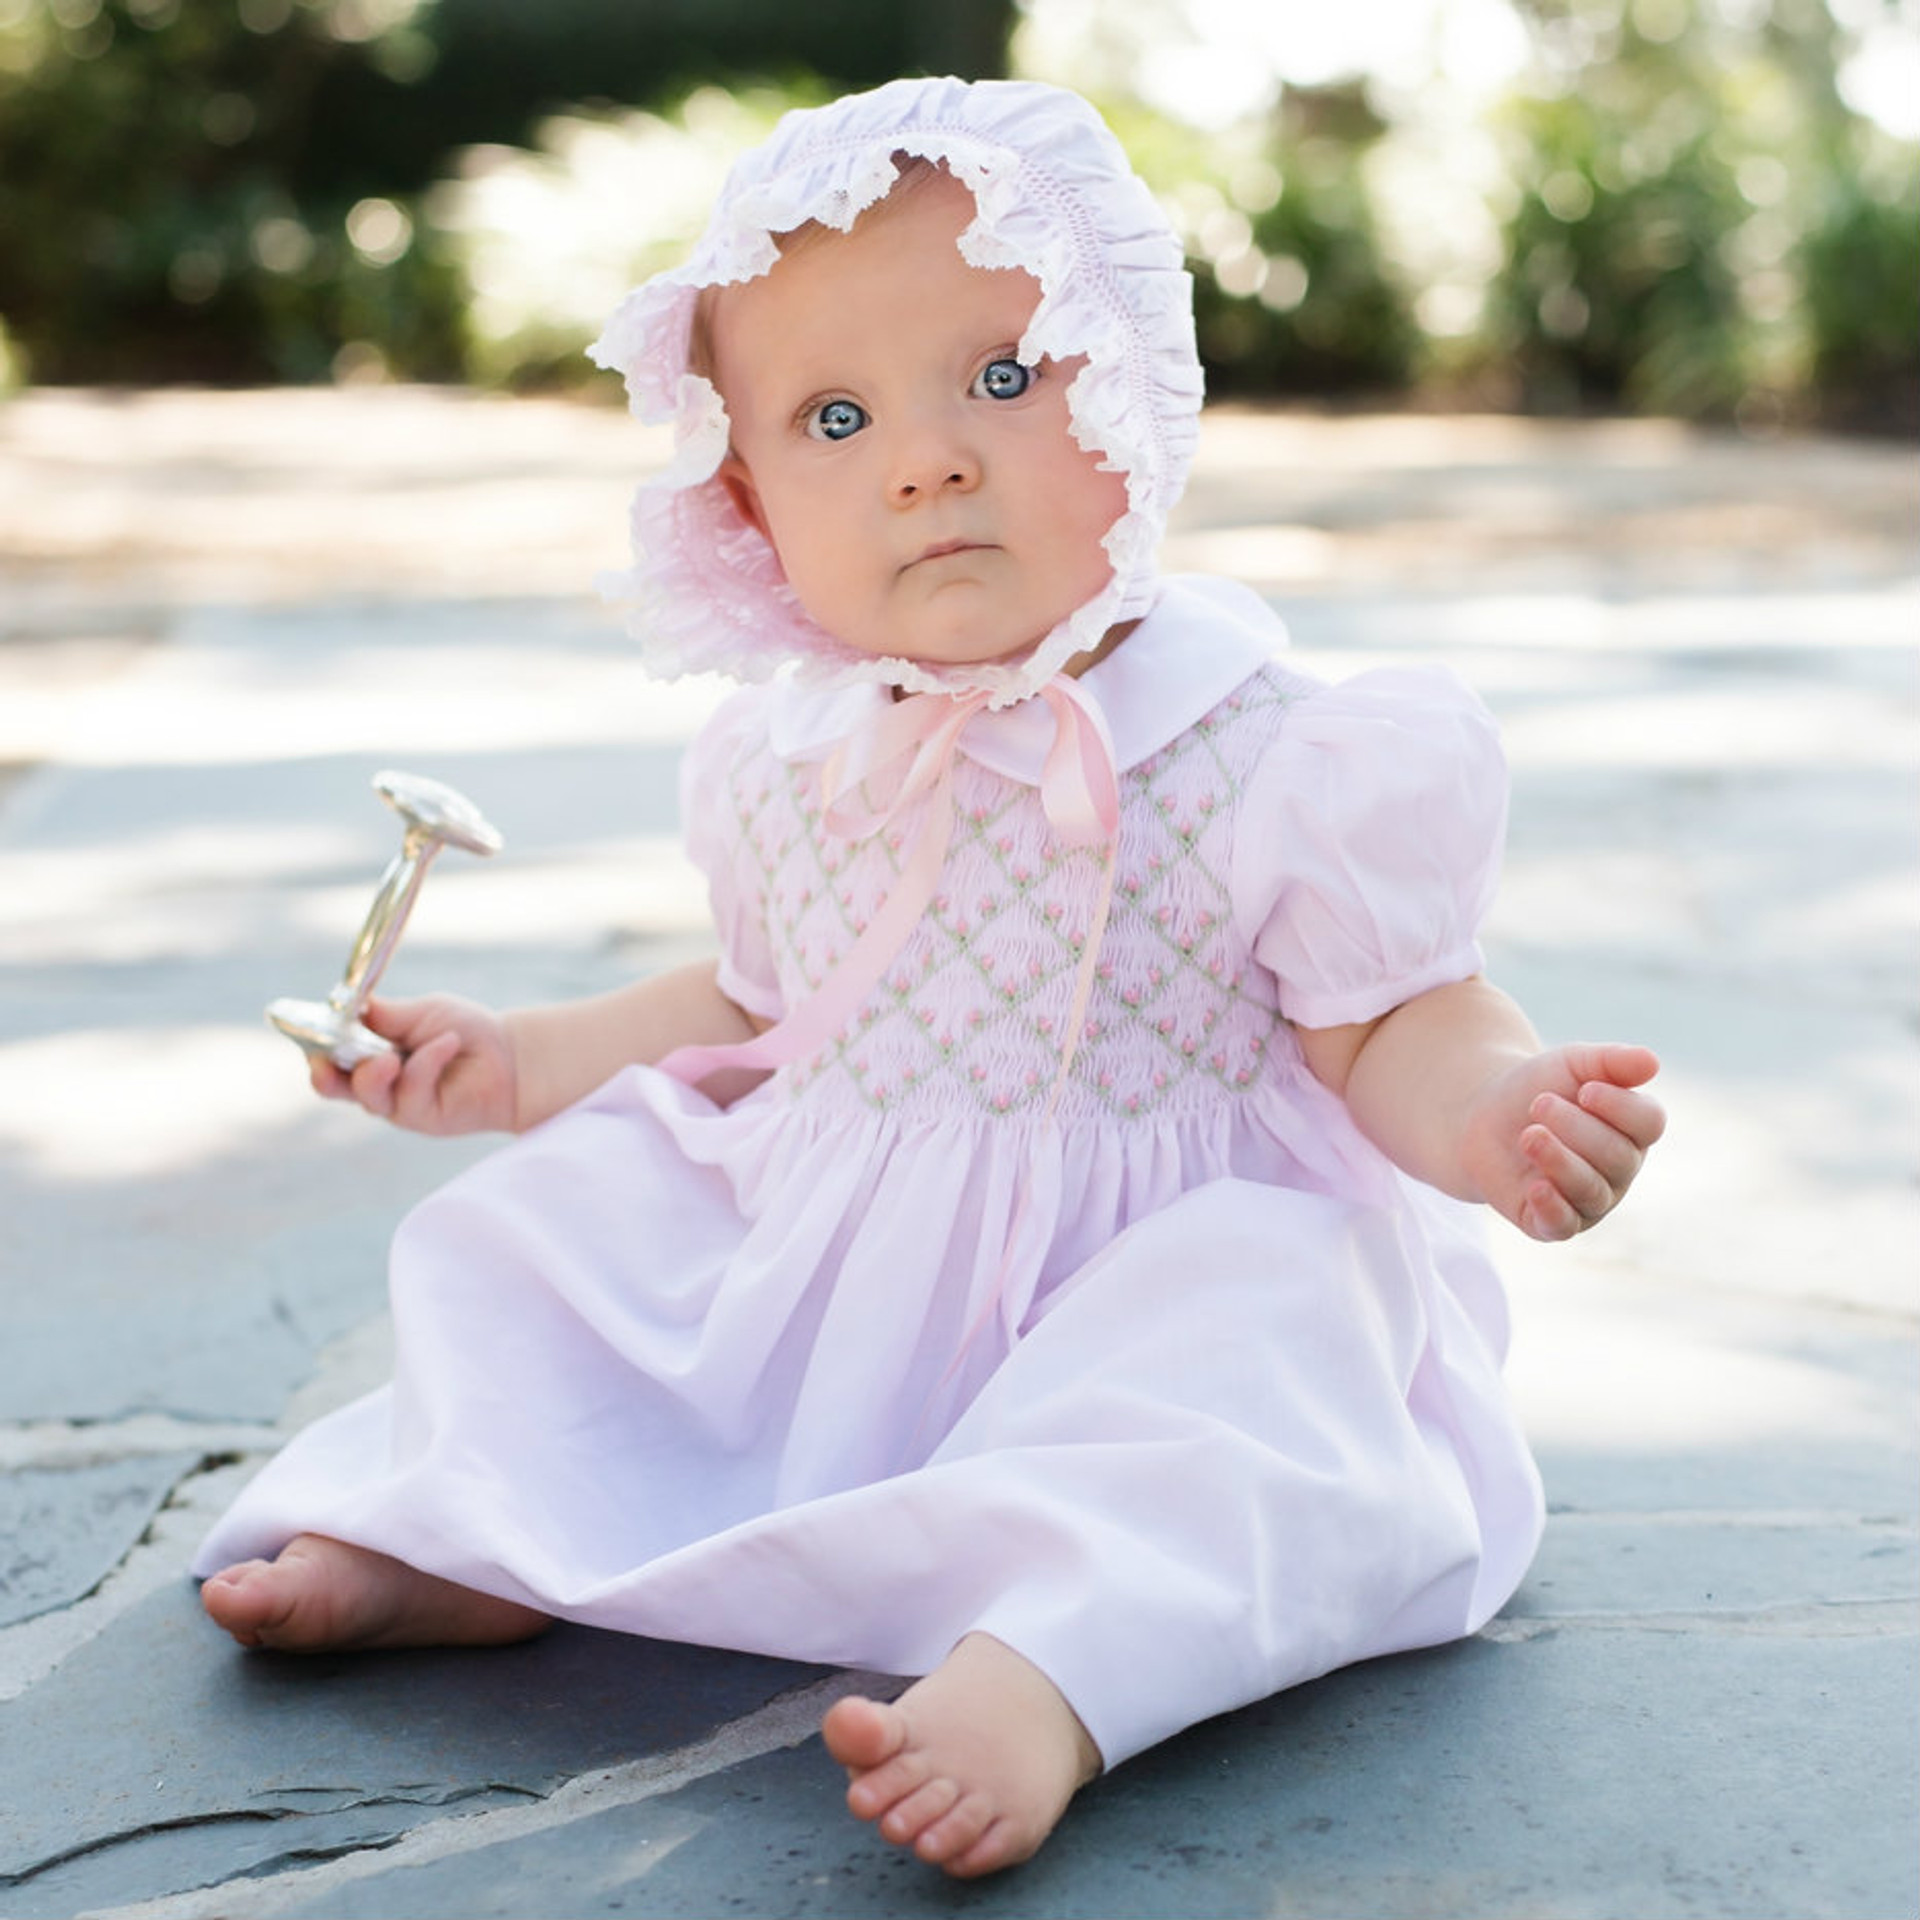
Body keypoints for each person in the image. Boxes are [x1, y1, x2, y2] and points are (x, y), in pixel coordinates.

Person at [195, 76, 1665, 1879]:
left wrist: (1500, 1113)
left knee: (1268, 1363)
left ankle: (1054, 1666)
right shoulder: (789, 758)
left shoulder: (1278, 753)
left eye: (1001, 377)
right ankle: (477, 1534)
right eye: (833, 418)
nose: (927, 459)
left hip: (1149, 1271)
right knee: (576, 1232)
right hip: (850, 1278)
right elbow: (756, 1008)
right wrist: (516, 1063)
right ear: (746, 500)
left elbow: (1393, 1022)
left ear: (1134, 379)